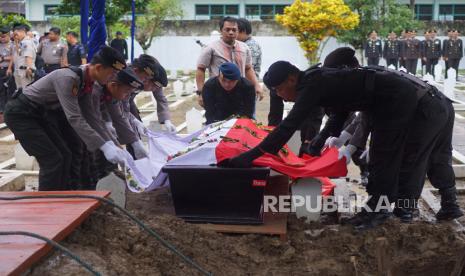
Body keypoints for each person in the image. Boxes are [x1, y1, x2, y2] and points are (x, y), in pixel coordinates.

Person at [223, 48, 460, 229]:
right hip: (429, 102)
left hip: (409, 103)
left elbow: (288, 126)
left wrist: (248, 157)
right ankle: (447, 205)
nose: (279, 96)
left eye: (278, 89)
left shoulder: (312, 84)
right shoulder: (323, 79)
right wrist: (315, 147)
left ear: (291, 80)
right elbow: (339, 115)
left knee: (389, 158)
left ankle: (383, 211)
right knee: (425, 157)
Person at [4, 46, 127, 191]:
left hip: (39, 114)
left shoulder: (87, 81)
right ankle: (47, 204)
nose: (113, 78)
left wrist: (110, 143)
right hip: (21, 114)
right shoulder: (69, 78)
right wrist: (104, 146)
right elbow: (74, 117)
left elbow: (92, 117)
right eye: (112, 73)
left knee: (66, 155)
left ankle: (63, 197)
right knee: (52, 159)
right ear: (99, 67)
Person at [196, 17, 263, 107]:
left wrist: (256, 85)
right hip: (218, 94)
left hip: (240, 93)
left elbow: (248, 69)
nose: (231, 32)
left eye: (234, 30)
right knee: (218, 120)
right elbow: (201, 69)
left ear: (238, 31)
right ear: (221, 30)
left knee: (243, 119)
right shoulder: (211, 48)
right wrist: (201, 92)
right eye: (227, 29)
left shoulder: (244, 48)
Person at [8, 24, 36, 89]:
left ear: (22, 31)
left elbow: (28, 56)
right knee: (20, 91)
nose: (15, 36)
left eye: (16, 34)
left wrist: (29, 68)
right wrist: (16, 41)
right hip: (19, 70)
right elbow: (19, 53)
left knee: (26, 92)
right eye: (14, 35)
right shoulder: (21, 42)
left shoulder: (27, 42)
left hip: (25, 71)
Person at [0, 26, 12, 114]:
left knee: (8, 89)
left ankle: (8, 107)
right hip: (0, 69)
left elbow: (14, 57)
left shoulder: (12, 45)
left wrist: (3, 58)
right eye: (0, 36)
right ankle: (2, 108)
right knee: (1, 89)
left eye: (3, 36)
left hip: (8, 69)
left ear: (8, 36)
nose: (2, 38)